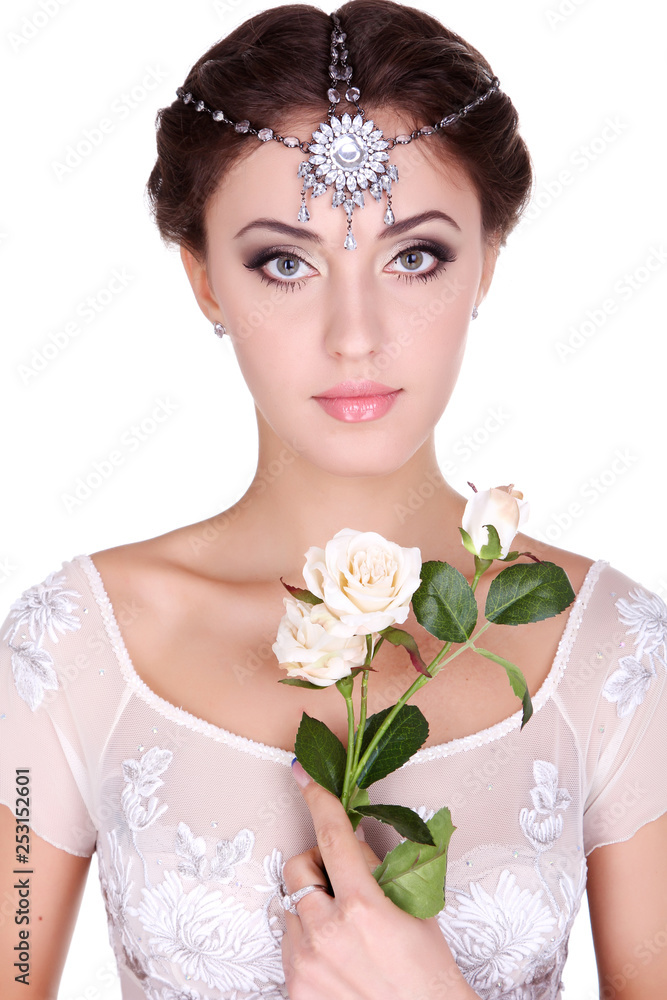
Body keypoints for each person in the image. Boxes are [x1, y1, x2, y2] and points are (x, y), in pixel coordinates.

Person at [1, 1, 666, 997]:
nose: (353, 334)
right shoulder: (73, 652)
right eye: (284, 262)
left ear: (486, 259)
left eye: (414, 256)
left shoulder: (609, 652)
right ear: (204, 281)